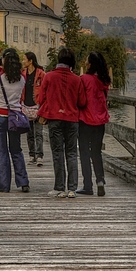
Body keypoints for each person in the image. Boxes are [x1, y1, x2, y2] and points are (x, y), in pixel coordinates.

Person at [37, 47, 87, 198]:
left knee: (57, 152)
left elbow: (40, 99)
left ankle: (59, 187)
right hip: (72, 120)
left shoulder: (49, 77)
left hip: (55, 119)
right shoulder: (77, 79)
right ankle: (72, 188)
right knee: (71, 153)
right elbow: (82, 102)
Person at [0, 49, 30, 193]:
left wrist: (0, 67)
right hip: (15, 118)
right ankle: (23, 181)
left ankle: (4, 185)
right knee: (16, 150)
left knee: (1, 152)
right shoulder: (22, 78)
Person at [78, 51, 111, 196]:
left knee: (84, 152)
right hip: (100, 120)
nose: (85, 63)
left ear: (90, 64)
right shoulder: (104, 81)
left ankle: (87, 185)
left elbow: (80, 99)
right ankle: (100, 180)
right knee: (96, 152)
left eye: (86, 60)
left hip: (85, 119)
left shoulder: (84, 79)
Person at [21, 51, 46, 166]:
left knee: (39, 133)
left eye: (24, 59)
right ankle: (32, 155)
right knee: (29, 133)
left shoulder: (41, 73)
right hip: (26, 105)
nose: (23, 61)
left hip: (38, 105)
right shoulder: (23, 74)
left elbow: (46, 89)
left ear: (30, 61)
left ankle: (39, 155)